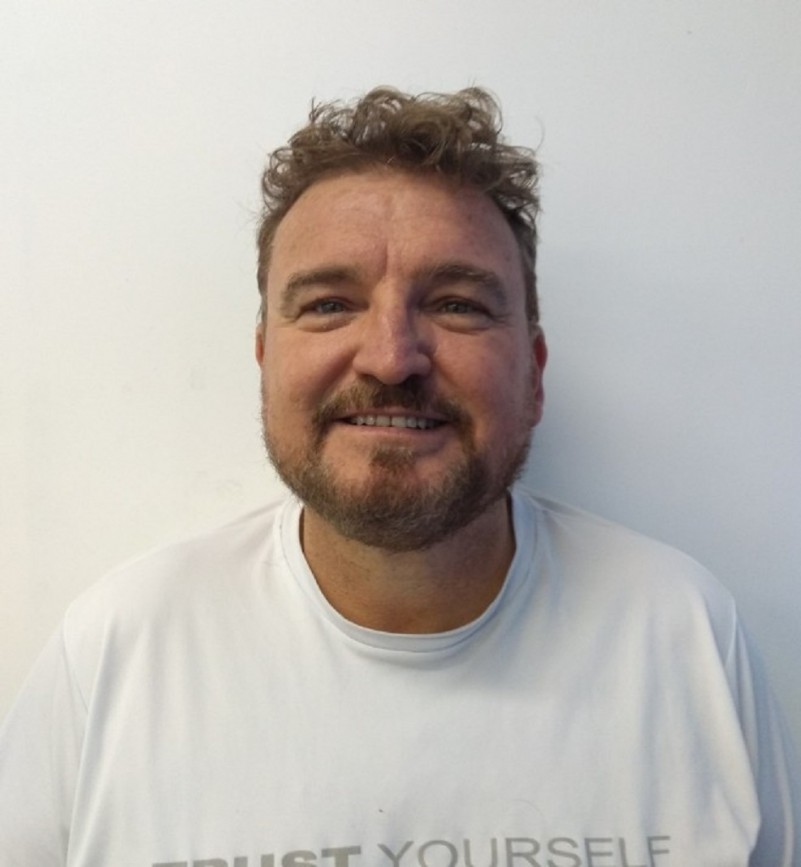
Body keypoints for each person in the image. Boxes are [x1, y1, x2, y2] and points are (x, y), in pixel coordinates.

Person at [0, 87, 798, 867]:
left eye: (457, 304)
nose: (390, 357)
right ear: (265, 360)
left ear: (533, 373)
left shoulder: (684, 634)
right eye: (328, 304)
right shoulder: (115, 655)